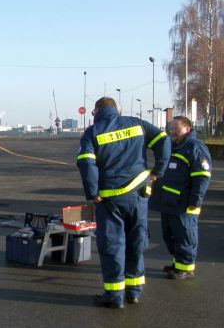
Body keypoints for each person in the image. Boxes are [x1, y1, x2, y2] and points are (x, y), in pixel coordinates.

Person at [77, 97, 170, 309]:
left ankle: (114, 296)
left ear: (96, 111)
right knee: (136, 242)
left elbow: (87, 165)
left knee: (112, 245)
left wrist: (93, 193)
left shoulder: (93, 133)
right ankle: (134, 291)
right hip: (138, 196)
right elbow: (164, 140)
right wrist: (158, 171)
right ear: (117, 109)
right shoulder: (137, 124)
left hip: (109, 199)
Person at [153, 116, 212, 280]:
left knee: (185, 235)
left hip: (185, 204)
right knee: (170, 235)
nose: (173, 133)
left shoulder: (195, 148)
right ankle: (178, 263)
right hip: (169, 203)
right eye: (172, 129)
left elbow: (202, 177)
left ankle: (186, 269)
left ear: (187, 129)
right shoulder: (173, 146)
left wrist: (195, 201)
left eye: (176, 130)